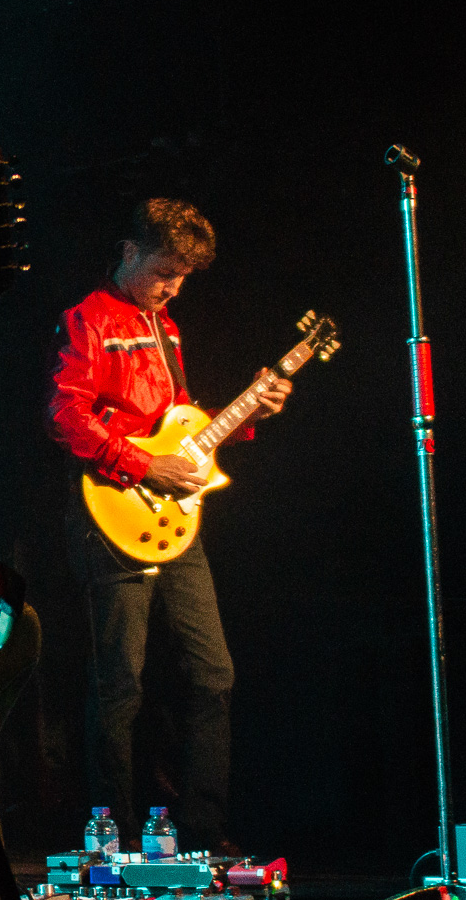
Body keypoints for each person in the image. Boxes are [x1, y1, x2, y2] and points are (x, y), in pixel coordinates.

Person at [47, 199, 291, 855]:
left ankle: (204, 835)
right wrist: (142, 463)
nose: (173, 286)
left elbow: (181, 428)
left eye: (183, 276)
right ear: (129, 252)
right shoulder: (87, 319)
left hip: (173, 522)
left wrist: (249, 413)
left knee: (214, 671)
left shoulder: (168, 330)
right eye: (164, 271)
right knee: (118, 683)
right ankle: (115, 841)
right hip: (112, 509)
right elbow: (66, 415)